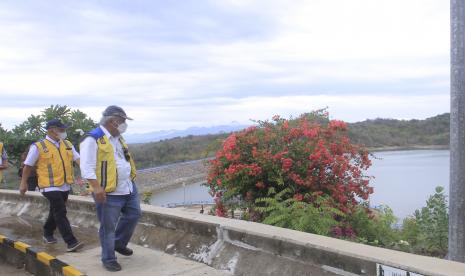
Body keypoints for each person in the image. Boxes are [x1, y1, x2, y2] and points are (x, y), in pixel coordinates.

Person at [80, 105, 141, 272]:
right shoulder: (92, 139)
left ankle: (119, 243)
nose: (124, 125)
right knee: (108, 227)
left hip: (128, 187)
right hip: (109, 192)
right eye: (122, 121)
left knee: (134, 214)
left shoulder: (118, 138)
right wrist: (96, 187)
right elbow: (86, 166)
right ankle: (108, 258)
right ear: (113, 121)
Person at [19, 119, 84, 252]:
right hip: (48, 185)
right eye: (61, 129)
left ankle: (47, 233)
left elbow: (78, 160)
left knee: (55, 211)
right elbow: (28, 166)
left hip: (65, 184)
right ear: (51, 130)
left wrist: (90, 175)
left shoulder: (67, 144)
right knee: (60, 210)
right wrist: (23, 182)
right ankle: (71, 242)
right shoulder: (38, 146)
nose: (64, 132)